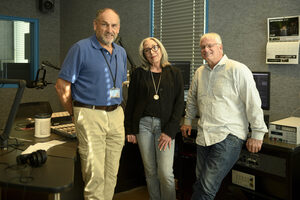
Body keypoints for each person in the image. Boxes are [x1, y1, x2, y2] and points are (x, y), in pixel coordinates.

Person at [180, 32, 268, 200]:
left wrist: (258, 133)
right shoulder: (200, 72)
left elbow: (253, 103)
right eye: (203, 47)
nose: (206, 49)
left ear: (220, 47)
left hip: (228, 136)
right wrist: (187, 121)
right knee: (200, 182)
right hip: (204, 135)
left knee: (206, 187)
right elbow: (191, 99)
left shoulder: (238, 69)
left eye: (210, 46)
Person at [55, 8, 127, 200]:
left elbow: (117, 84)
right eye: (104, 24)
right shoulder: (80, 48)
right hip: (89, 113)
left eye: (113, 25)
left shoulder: (121, 52)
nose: (109, 29)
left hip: (116, 114)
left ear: (118, 28)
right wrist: (74, 113)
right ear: (95, 25)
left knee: (111, 173)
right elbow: (62, 87)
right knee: (95, 175)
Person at [124, 37, 184, 200]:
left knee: (165, 172)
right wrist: (129, 129)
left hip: (165, 127)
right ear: (143, 54)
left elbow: (179, 104)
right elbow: (131, 103)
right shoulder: (139, 73)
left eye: (154, 47)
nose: (152, 52)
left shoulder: (174, 73)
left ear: (161, 48)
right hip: (143, 126)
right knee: (150, 170)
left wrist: (170, 132)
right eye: (147, 50)